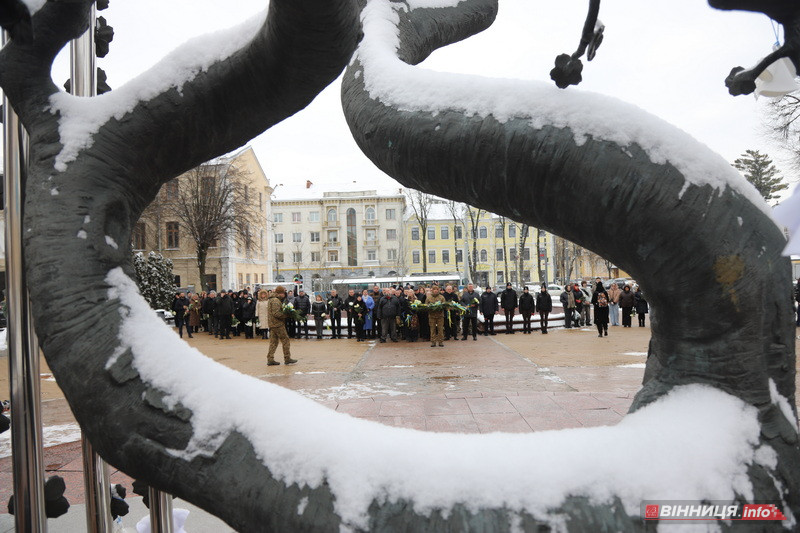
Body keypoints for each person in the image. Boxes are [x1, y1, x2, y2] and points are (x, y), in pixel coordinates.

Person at [266, 286, 296, 365]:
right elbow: (276, 313)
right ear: (280, 293)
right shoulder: (276, 300)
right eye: (283, 293)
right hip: (277, 324)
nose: (284, 295)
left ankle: (270, 359)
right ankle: (287, 358)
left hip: (272, 324)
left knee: (273, 342)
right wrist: (286, 314)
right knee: (285, 340)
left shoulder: (271, 299)